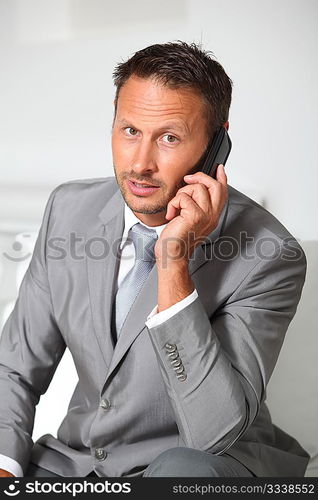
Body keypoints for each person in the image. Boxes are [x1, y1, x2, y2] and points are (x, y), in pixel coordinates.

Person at [0, 41, 310, 478]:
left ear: (217, 143)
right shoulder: (69, 210)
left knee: (183, 469)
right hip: (76, 467)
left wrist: (173, 261)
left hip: (197, 468)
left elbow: (212, 435)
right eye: (130, 131)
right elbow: (13, 368)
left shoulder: (270, 254)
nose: (141, 164)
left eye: (169, 137)